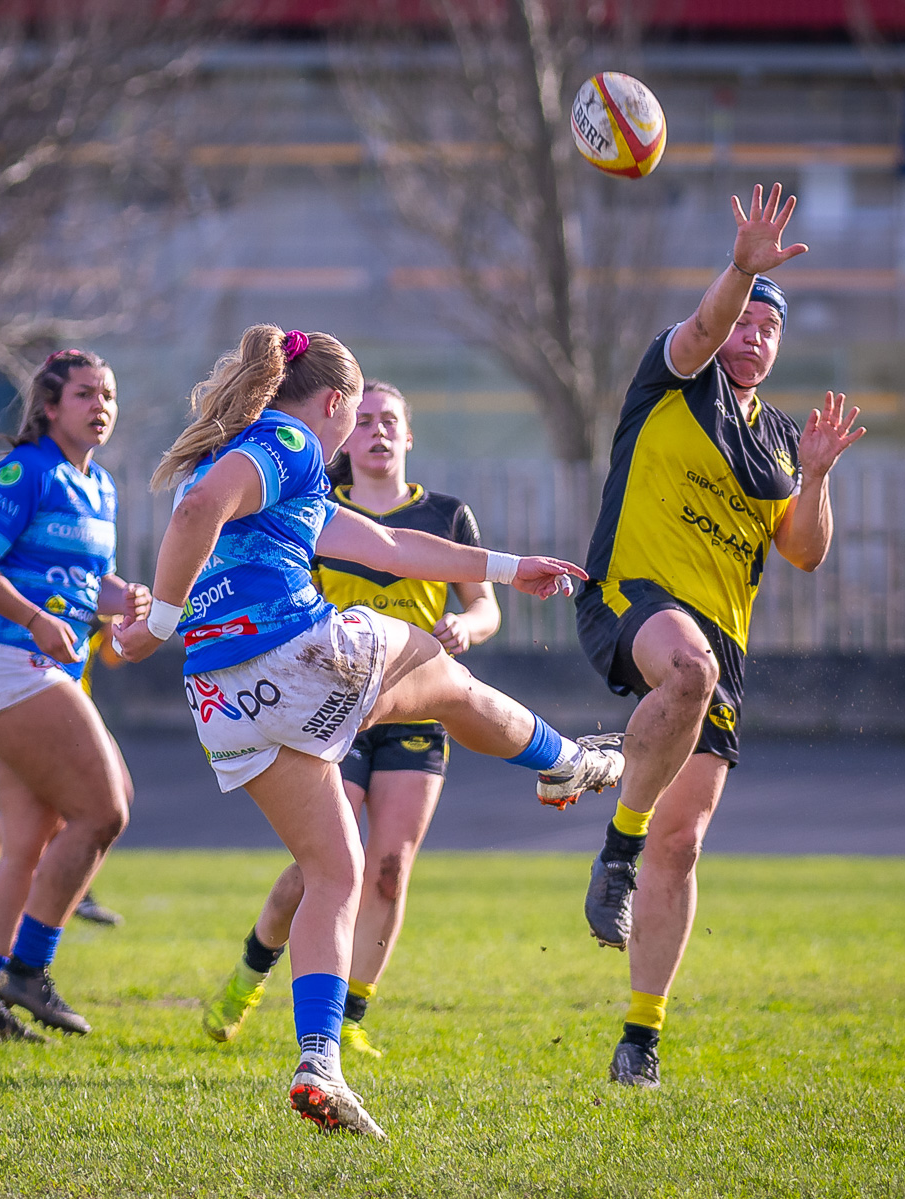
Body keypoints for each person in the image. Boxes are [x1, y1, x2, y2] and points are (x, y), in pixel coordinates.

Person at [115, 325, 623, 1138]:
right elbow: (205, 513)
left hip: (223, 696)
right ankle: (566, 760)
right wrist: (159, 622)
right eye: (357, 412)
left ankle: (319, 1062)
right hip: (292, 650)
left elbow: (386, 546)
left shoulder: (247, 456)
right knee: (446, 678)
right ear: (335, 403)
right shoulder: (288, 440)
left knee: (335, 869)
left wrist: (504, 568)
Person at [572, 183, 865, 1089]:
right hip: (631, 596)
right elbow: (704, 326)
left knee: (684, 843)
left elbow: (805, 552)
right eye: (747, 321)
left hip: (720, 649)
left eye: (771, 329)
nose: (754, 336)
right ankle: (615, 849)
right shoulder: (674, 375)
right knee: (687, 672)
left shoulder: (778, 439)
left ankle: (641, 1039)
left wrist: (815, 477)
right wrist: (742, 270)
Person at [200, 380, 501, 1058]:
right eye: (363, 420)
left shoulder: (447, 514)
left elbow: (485, 606)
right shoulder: (314, 503)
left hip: (415, 703)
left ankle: (351, 1015)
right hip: (333, 702)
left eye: (390, 420)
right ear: (343, 430)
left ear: (409, 435)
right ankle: (251, 971)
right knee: (324, 863)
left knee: (390, 866)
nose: (377, 431)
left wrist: (468, 626)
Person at [0, 349, 150, 1043]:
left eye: (109, 394)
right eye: (86, 393)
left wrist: (126, 598)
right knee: (107, 808)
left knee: (29, 842)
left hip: (31, 666)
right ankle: (29, 968)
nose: (102, 406)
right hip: (9, 658)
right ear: (51, 407)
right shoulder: (26, 470)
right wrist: (35, 618)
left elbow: (91, 584)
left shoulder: (102, 487)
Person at [0, 623, 125, 934]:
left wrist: (130, 623)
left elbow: (114, 654)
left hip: (58, 702)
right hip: (36, 701)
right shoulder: (58, 595)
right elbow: (4, 616)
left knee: (47, 812)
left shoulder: (99, 599)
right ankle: (59, 899)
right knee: (41, 814)